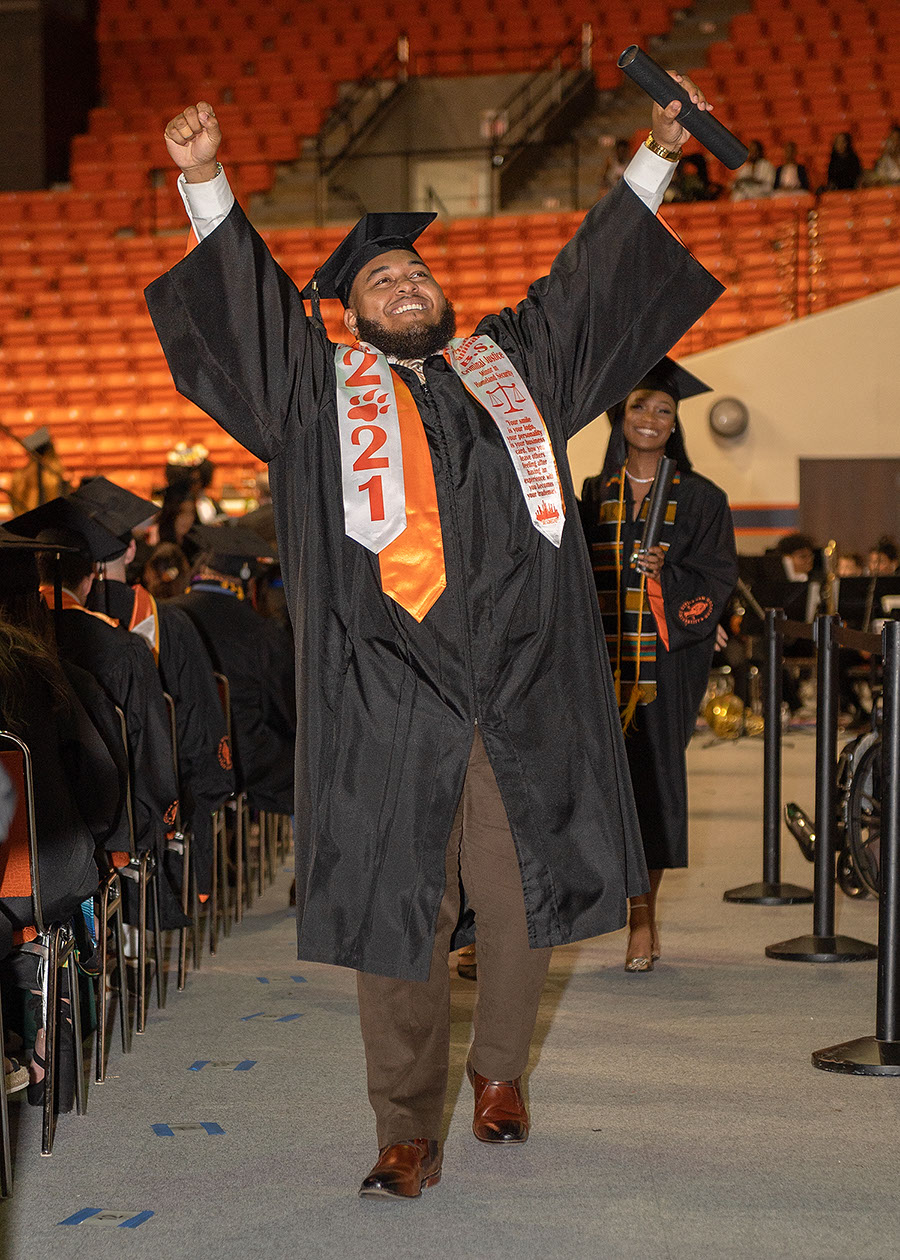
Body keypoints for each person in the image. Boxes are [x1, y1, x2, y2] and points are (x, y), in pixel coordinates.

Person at [145, 76, 724, 1199]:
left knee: (519, 900)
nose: (408, 282)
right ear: (352, 313)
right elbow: (250, 319)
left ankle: (499, 1071)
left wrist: (655, 157)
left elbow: (589, 285)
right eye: (382, 279)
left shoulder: (512, 369)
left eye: (417, 270)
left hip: (516, 687)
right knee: (395, 916)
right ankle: (404, 1122)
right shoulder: (318, 395)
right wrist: (207, 181)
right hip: (384, 697)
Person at [579, 359, 737, 971]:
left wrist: (667, 583)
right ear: (619, 415)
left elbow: (716, 574)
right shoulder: (592, 496)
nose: (649, 418)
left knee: (651, 789)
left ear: (675, 426)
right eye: (640, 405)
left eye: (662, 410)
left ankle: (641, 920)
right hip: (596, 665)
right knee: (590, 790)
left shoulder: (702, 498)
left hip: (663, 671)